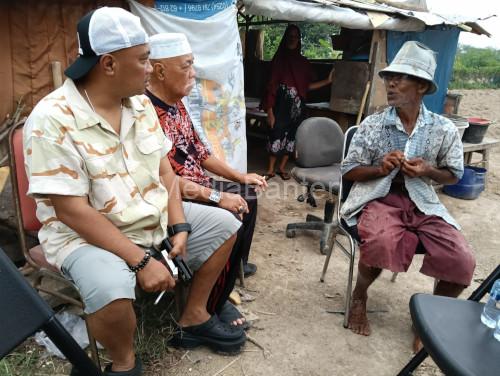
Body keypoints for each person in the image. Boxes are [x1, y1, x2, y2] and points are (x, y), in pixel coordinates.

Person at [23, 8, 246, 375]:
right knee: (109, 288)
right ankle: (124, 363)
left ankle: (193, 317)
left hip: (149, 216)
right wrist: (141, 261)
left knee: (225, 225)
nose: (149, 68)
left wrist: (179, 224)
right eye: (143, 60)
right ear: (108, 64)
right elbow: (71, 211)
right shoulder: (52, 119)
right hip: (86, 235)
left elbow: (164, 172)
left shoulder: (139, 105)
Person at [340, 41, 476, 351]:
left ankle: (429, 318)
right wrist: (379, 167)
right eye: (390, 77)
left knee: (462, 260)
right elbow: (348, 171)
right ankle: (359, 295)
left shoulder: (443, 129)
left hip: (423, 202)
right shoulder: (374, 124)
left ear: (422, 87)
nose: (391, 83)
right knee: (381, 242)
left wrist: (428, 170)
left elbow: (454, 173)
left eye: (401, 77)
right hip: (380, 198)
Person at [145, 33, 267, 326]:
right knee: (235, 207)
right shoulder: (146, 112)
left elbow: (202, 153)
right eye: (186, 66)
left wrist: (241, 176)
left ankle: (227, 275)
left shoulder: (177, 103)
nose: (193, 73)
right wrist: (217, 196)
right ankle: (214, 302)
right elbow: (166, 180)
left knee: (247, 194)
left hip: (197, 185)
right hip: (175, 196)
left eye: (193, 65)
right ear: (160, 71)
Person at [261, 24, 334, 180]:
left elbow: (306, 87)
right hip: (280, 106)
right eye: (290, 36)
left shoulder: (303, 63)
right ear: (286, 38)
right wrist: (270, 111)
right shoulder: (279, 60)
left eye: (296, 36)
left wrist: (327, 81)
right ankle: (270, 169)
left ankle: (281, 168)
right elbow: (271, 86)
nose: (293, 39)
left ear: (299, 39)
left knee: (292, 136)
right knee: (276, 132)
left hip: (297, 108)